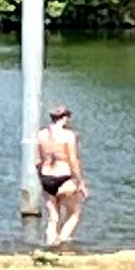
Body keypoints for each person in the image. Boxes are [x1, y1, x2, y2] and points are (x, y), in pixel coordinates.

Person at [35, 104, 88, 247]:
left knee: (53, 217)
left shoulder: (41, 134)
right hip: (64, 177)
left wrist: (41, 179)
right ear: (64, 118)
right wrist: (80, 182)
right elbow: (73, 160)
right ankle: (61, 241)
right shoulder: (68, 136)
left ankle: (49, 244)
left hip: (46, 177)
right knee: (74, 213)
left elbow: (38, 161)